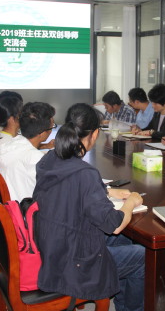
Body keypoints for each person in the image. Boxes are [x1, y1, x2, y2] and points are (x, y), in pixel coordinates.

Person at [33, 103, 144, 311]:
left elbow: (69, 188)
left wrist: (106, 191)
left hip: (52, 244)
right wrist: (131, 202)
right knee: (142, 255)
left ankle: (121, 301)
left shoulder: (49, 159)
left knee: (126, 240)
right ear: (94, 134)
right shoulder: (85, 173)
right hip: (74, 262)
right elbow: (115, 225)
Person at [0, 102, 54, 201]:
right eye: (52, 127)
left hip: (9, 203)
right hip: (25, 207)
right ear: (42, 133)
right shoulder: (37, 160)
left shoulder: (10, 145)